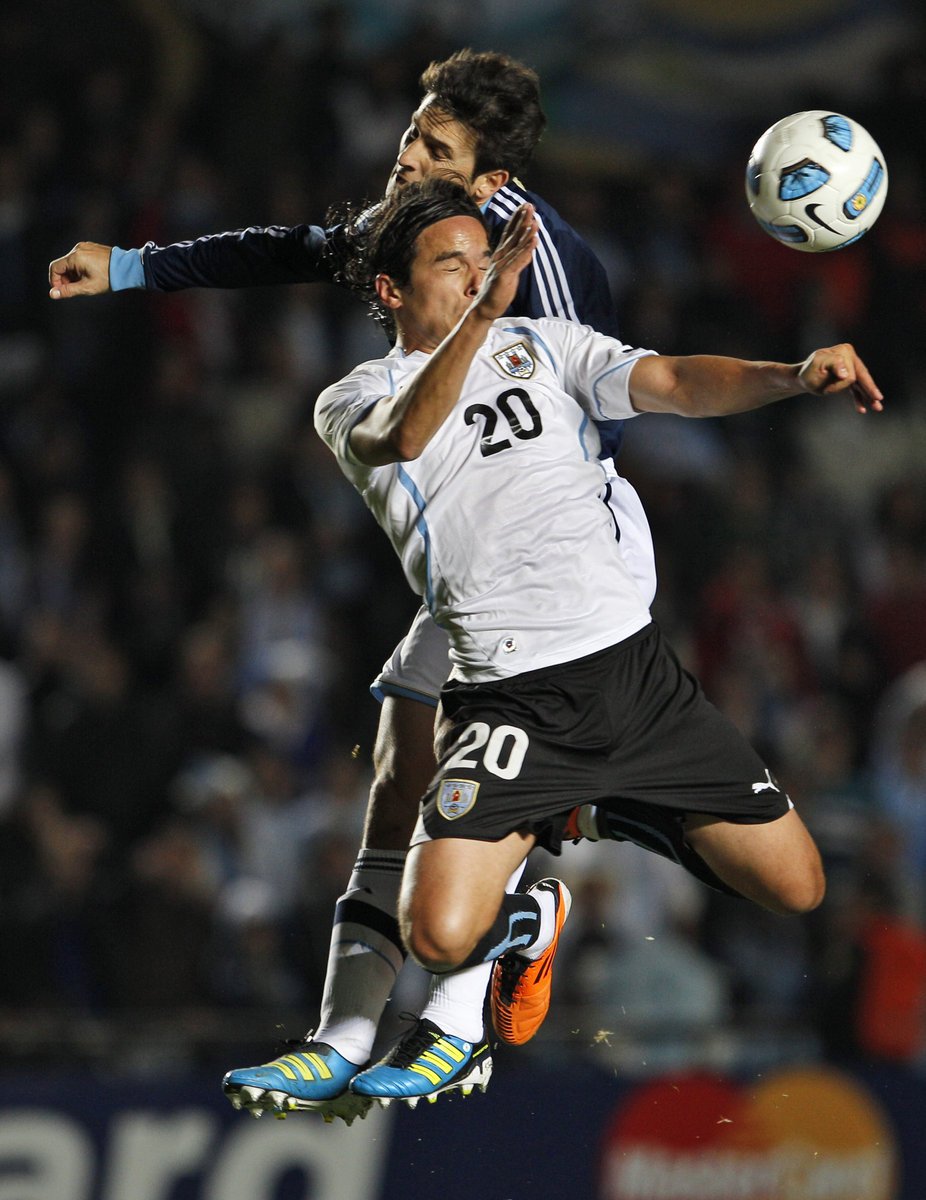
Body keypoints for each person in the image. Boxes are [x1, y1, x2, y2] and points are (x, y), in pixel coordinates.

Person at [49, 51, 658, 1122]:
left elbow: (590, 422)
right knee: (397, 748)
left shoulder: (533, 263)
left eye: (430, 145)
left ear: (486, 179)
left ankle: (467, 1004)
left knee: (477, 753)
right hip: (491, 558)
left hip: (563, 556)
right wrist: (135, 268)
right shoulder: (426, 224)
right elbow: (295, 247)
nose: (403, 151)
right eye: (410, 131)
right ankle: (348, 1031)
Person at [287, 178, 879, 1112]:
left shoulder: (547, 345)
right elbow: (401, 439)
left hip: (636, 675)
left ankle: (575, 818)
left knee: (798, 886)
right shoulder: (357, 394)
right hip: (509, 696)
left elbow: (678, 382)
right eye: (453, 265)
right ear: (393, 291)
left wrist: (791, 375)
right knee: (439, 937)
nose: (481, 279)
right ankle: (521, 917)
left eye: (486, 264)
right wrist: (482, 318)